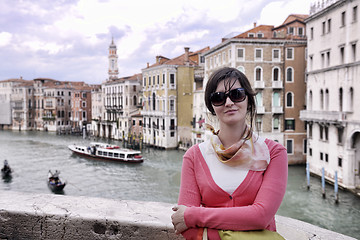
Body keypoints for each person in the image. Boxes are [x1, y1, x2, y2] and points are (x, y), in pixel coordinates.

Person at [171, 67, 288, 239]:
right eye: (218, 98)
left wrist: (194, 216)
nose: (228, 103)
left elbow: (261, 217)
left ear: (248, 99)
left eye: (237, 94)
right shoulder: (194, 156)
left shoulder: (275, 153)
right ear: (212, 106)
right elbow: (185, 227)